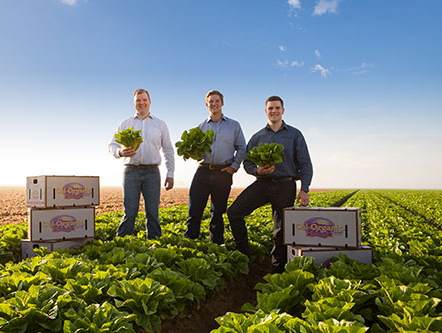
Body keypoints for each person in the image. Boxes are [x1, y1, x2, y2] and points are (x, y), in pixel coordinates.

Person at [227, 95, 313, 273]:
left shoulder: (295, 134)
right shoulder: (258, 136)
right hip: (263, 184)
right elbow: (247, 162)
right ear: (266, 111)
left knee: (281, 231)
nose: (274, 111)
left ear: (283, 110)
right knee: (234, 212)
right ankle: (245, 255)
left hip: (285, 185)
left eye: (277, 108)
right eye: (270, 108)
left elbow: (305, 164)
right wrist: (257, 171)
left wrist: (304, 190)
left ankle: (277, 270)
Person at [108, 89, 175, 240]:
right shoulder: (125, 123)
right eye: (138, 100)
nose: (141, 103)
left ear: (149, 102)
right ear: (134, 103)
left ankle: (154, 244)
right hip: (130, 171)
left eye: (144, 100)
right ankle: (123, 243)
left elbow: (168, 149)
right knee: (130, 211)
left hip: (152, 172)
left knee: (152, 212)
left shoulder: (160, 124)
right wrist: (120, 152)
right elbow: (112, 145)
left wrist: (170, 173)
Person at [184, 90, 246, 244]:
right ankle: (189, 245)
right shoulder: (201, 127)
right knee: (194, 211)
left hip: (223, 173)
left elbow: (242, 147)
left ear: (222, 103)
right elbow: (197, 153)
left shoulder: (234, 125)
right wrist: (193, 153)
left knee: (217, 213)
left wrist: (233, 168)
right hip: (203, 170)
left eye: (217, 101)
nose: (214, 104)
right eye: (211, 101)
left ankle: (216, 245)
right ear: (207, 104)